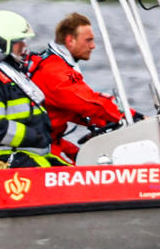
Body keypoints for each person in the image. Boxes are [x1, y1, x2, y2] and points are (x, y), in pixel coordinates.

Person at [0, 10, 64, 169]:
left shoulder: (8, 74)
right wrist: (35, 136)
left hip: (24, 157)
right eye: (18, 42)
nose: (24, 46)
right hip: (0, 162)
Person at [28, 12, 125, 160]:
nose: (93, 46)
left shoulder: (56, 64)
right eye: (88, 40)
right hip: (39, 150)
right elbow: (88, 103)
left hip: (47, 143)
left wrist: (107, 122)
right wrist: (128, 116)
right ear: (70, 41)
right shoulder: (55, 71)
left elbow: (75, 111)